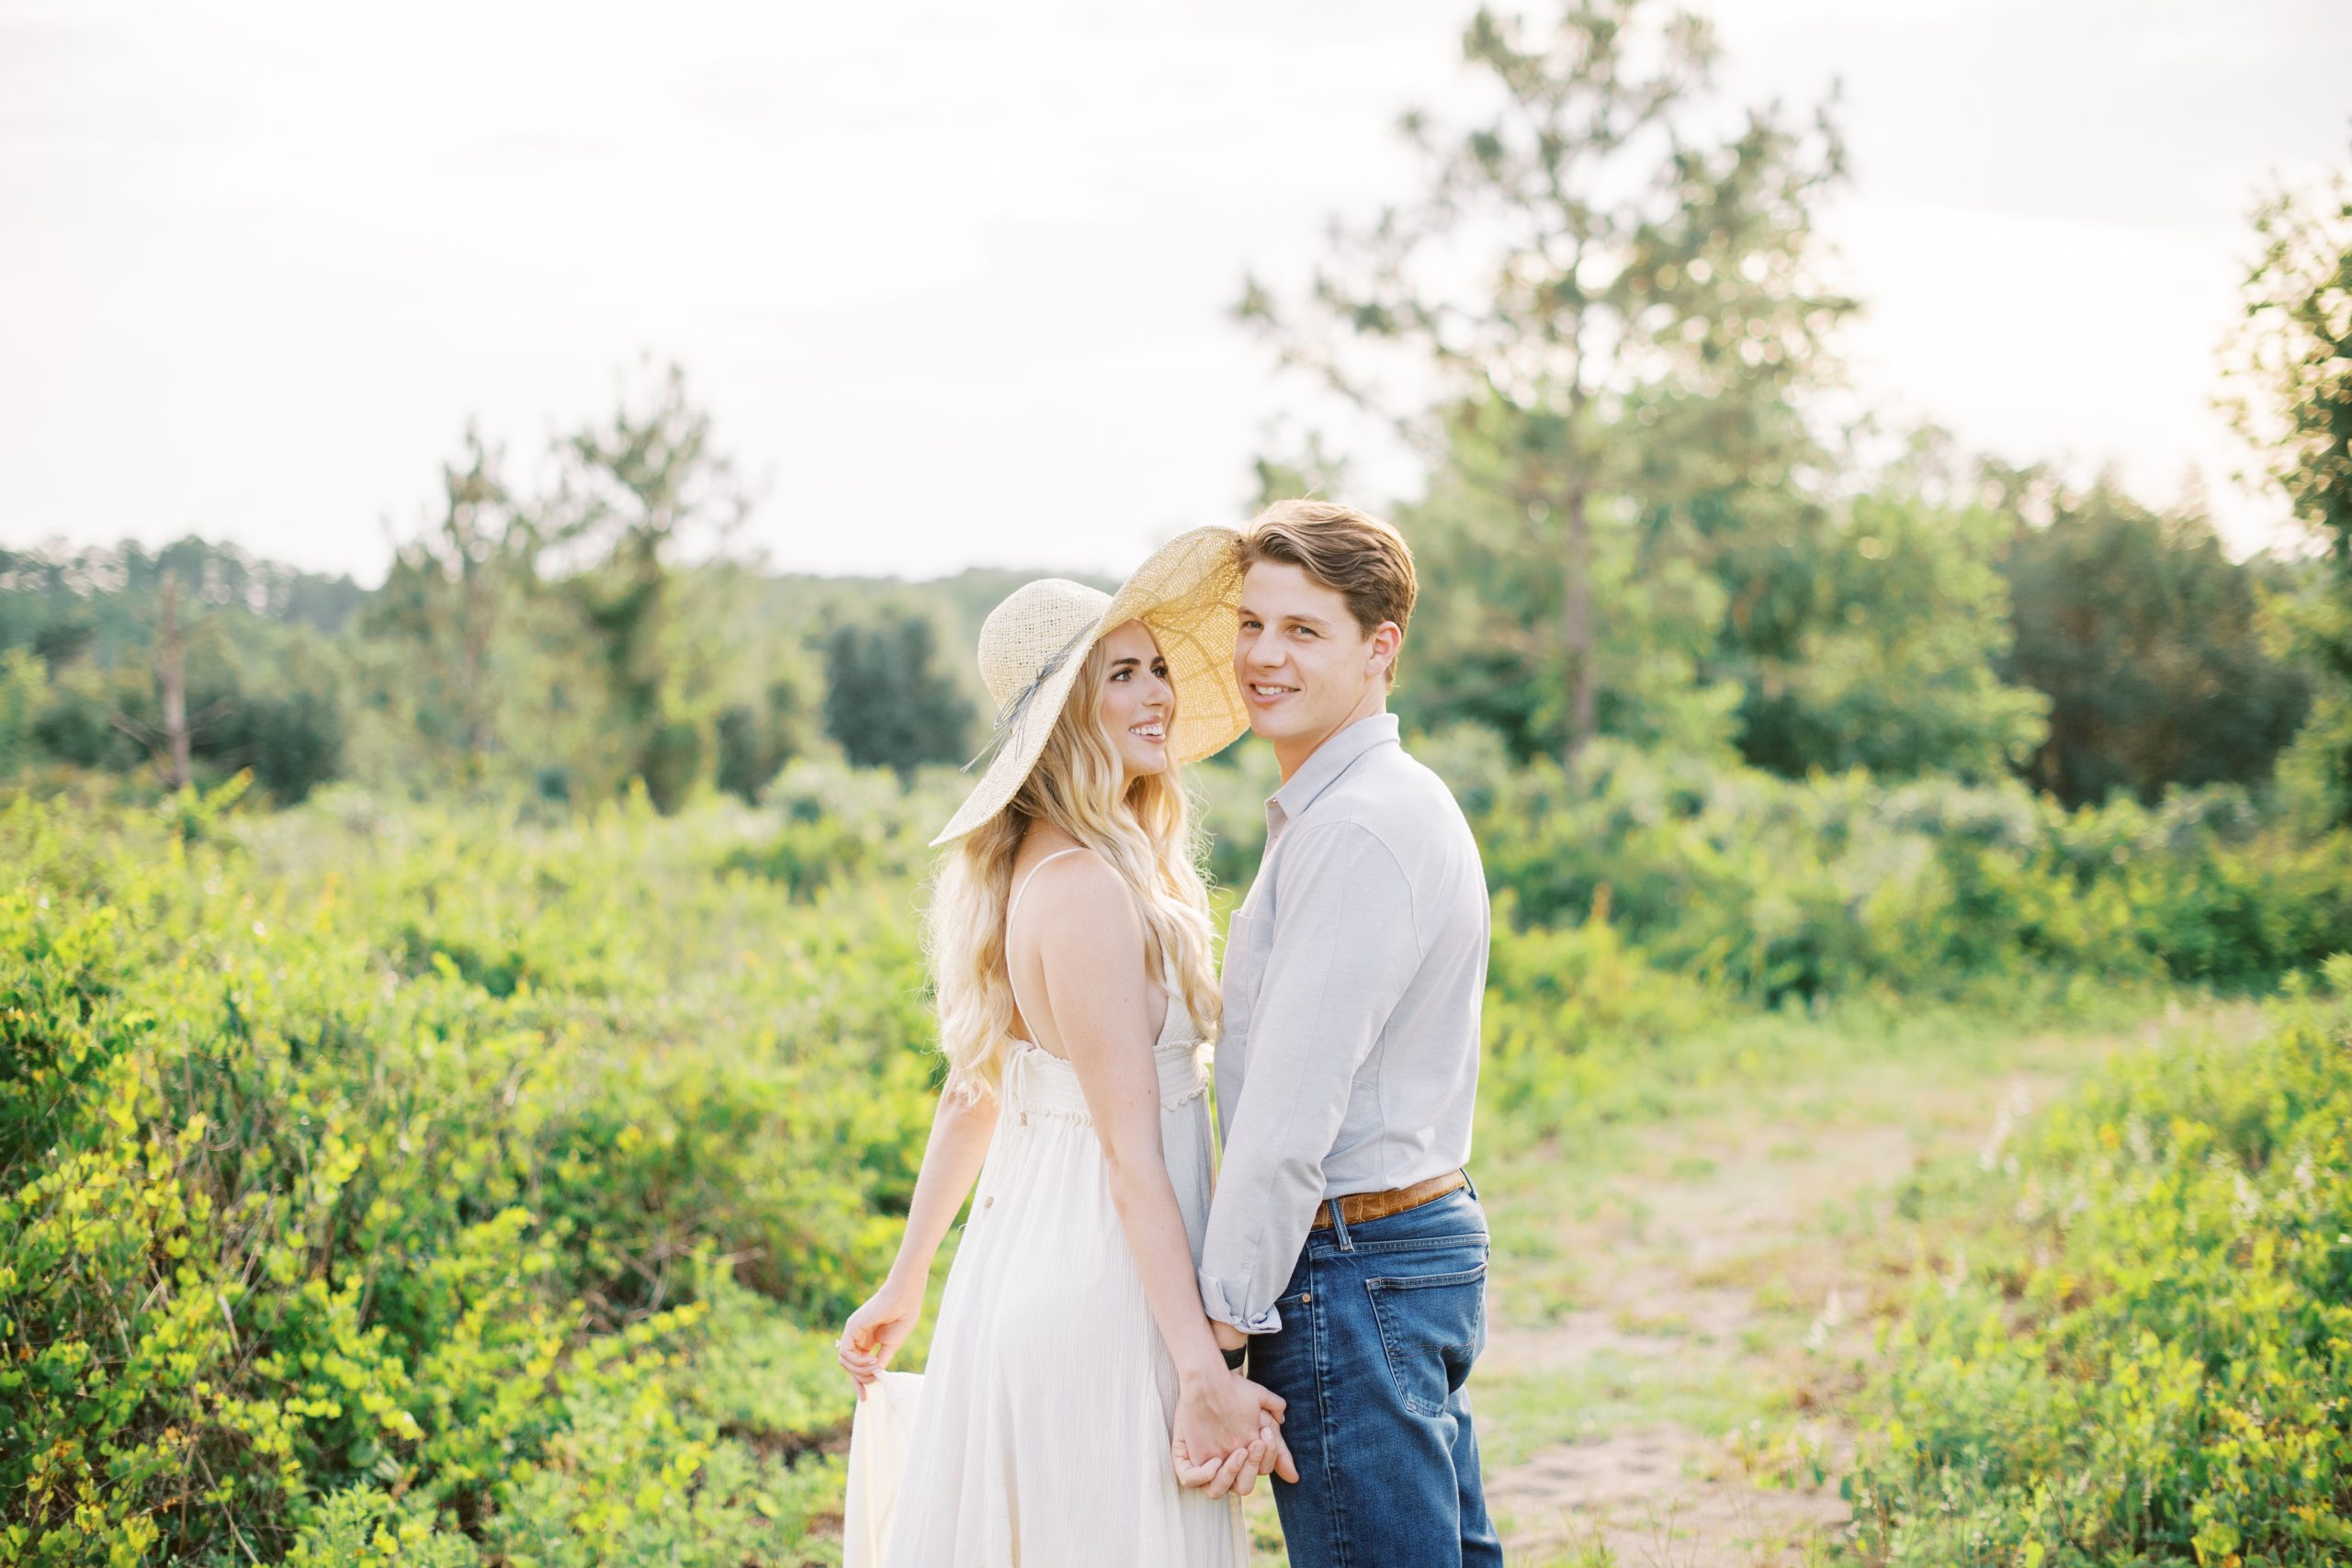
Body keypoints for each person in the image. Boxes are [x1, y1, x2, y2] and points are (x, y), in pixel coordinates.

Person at [834, 526, 1296, 1568]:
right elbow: (1132, 1160)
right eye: (1120, 676)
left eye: (1158, 670)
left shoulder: (1056, 867)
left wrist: (907, 1283)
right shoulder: (1085, 890)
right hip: (1104, 1286)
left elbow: (974, 1095)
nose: (1157, 697)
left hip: (1030, 1263)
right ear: (1063, 718)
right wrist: (1199, 1375)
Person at [1197, 500, 1502, 1567]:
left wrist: (1223, 1329)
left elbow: (1289, 1111)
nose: (1263, 657)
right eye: (1251, 624)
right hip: (1387, 1255)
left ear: (1381, 648)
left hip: (1349, 1261)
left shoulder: (1361, 826)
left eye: (1302, 631)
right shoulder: (1358, 806)